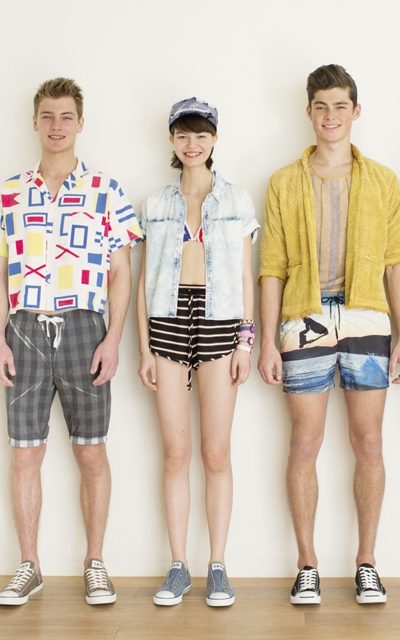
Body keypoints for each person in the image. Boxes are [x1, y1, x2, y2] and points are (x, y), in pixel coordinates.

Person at [0, 77, 141, 606]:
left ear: (80, 123)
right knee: (26, 453)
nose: (56, 125)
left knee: (91, 451)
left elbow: (122, 272)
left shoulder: (106, 191)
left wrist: (113, 339)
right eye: (47, 116)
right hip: (23, 329)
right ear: (34, 122)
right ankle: (30, 566)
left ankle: (96, 562)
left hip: (85, 329)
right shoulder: (9, 192)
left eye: (66, 116)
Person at [258, 64, 400, 605]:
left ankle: (367, 562)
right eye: (321, 106)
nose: (330, 116)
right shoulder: (284, 182)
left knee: (368, 441)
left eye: (340, 106)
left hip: (368, 317)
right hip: (303, 320)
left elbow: (397, 263)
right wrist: (266, 340)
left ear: (356, 111)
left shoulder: (383, 180)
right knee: (305, 442)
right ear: (308, 112)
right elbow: (271, 266)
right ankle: (307, 565)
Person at [137, 97, 259, 607]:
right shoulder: (156, 203)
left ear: (214, 140)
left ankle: (218, 565)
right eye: (184, 135)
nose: (192, 144)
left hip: (220, 322)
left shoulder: (237, 199)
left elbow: (247, 276)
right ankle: (178, 565)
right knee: (175, 452)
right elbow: (144, 281)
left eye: (201, 135)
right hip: (167, 321)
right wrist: (144, 348)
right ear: (172, 139)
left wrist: (245, 340)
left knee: (215, 452)